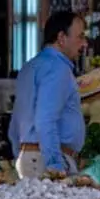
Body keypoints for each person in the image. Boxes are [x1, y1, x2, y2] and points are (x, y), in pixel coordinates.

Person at [10, 12, 87, 179]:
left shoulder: (30, 66)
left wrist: (21, 155)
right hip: (46, 161)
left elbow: (15, 123)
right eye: (80, 37)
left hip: (31, 158)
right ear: (61, 37)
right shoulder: (58, 69)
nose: (84, 43)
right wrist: (55, 166)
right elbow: (45, 119)